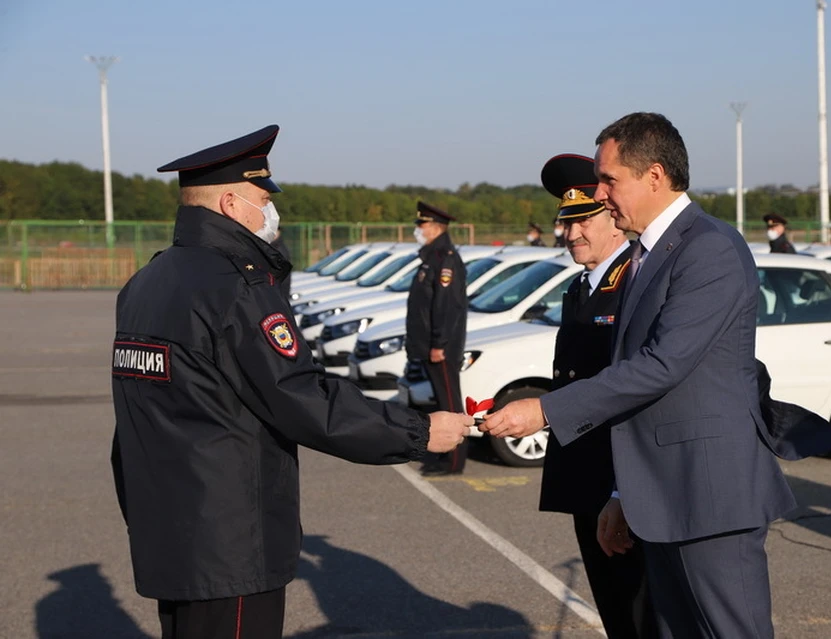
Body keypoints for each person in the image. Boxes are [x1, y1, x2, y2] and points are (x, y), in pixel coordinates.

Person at [110, 125, 472, 639]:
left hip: (169, 530)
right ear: (232, 203)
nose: (271, 210)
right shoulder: (236, 287)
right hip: (229, 540)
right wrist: (417, 432)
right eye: (263, 198)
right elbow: (303, 397)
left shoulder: (147, 281)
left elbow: (132, 420)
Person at [481, 112, 798, 638]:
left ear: (654, 176)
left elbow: (662, 364)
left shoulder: (709, 247)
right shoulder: (649, 254)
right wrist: (623, 496)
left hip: (709, 494)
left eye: (610, 180)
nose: (602, 194)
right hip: (662, 494)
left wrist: (544, 409)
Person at [539, 153, 657, 638]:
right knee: (614, 609)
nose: (571, 235)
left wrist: (620, 490)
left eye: (581, 222)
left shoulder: (633, 283)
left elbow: (636, 391)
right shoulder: (580, 287)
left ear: (613, 217)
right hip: (585, 478)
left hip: (618, 481)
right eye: (565, 225)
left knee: (639, 611)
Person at [406, 200, 470, 476]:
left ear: (434, 227)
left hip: (442, 349)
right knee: (440, 404)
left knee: (450, 405)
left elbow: (445, 307)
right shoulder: (432, 257)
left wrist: (439, 344)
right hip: (430, 346)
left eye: (421, 225)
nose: (418, 230)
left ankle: (454, 461)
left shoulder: (446, 259)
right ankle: (443, 454)